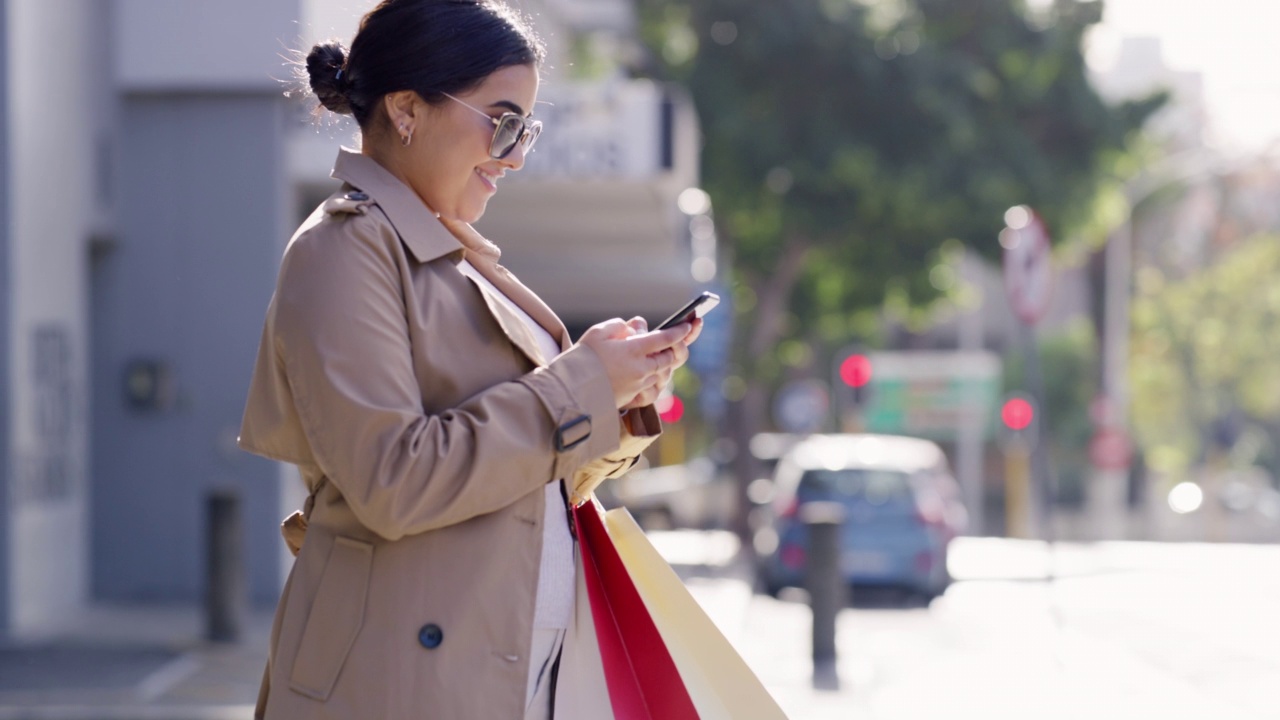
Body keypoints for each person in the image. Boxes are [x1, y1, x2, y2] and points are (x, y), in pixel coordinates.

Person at [237, 1, 701, 717]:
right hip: (391, 685)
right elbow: (396, 480)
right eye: (503, 121)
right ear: (407, 110)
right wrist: (580, 384)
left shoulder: (459, 264)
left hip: (497, 677)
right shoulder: (343, 250)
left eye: (528, 130)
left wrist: (616, 391)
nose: (515, 155)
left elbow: (525, 482)